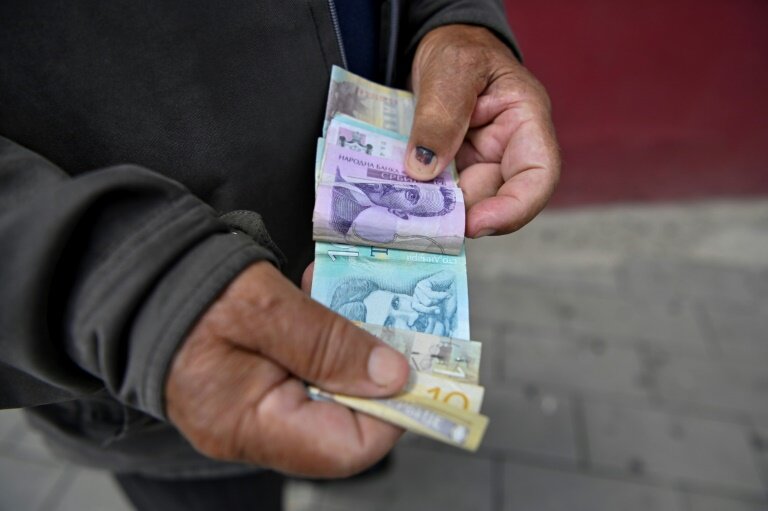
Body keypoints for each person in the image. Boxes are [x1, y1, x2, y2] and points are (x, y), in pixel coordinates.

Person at [0, 1, 560, 509]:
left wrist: (450, 20)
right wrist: (131, 292)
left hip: (367, 198)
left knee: (360, 436)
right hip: (164, 352)